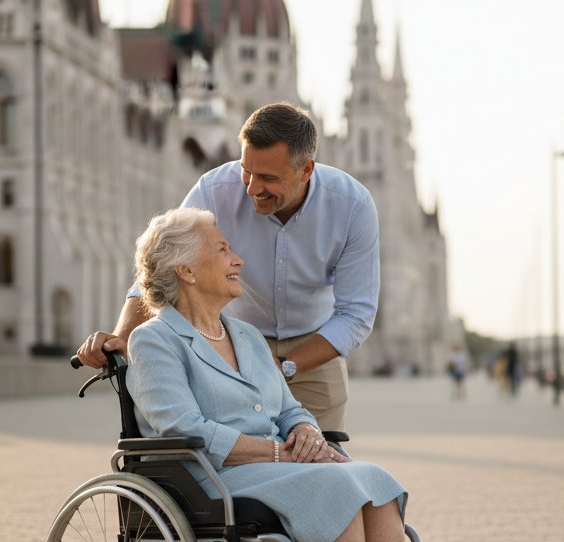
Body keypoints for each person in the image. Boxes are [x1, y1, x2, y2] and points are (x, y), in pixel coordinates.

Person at [125, 208, 479, 542]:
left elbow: (288, 407)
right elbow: (186, 429)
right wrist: (278, 453)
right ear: (185, 270)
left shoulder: (245, 335)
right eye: (223, 249)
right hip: (212, 478)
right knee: (334, 485)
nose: (239, 260)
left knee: (372, 479)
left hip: (273, 468)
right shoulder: (154, 341)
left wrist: (306, 433)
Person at [78, 102, 378, 434]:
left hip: (314, 352)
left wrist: (286, 366)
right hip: (231, 345)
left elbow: (355, 314)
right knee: (240, 458)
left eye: (267, 178)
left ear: (306, 170)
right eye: (247, 171)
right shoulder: (215, 189)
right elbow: (163, 263)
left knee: (321, 457)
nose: (251, 188)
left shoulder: (354, 207)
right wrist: (122, 336)